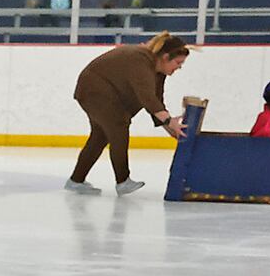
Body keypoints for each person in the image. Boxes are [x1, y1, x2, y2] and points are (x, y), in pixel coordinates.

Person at [65, 32, 188, 196]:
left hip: (103, 94)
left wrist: (169, 127)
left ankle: (76, 180)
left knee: (100, 136)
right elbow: (147, 97)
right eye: (178, 62)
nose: (179, 67)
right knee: (119, 127)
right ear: (165, 57)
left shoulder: (158, 71)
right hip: (94, 90)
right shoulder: (140, 59)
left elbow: (156, 100)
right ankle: (123, 181)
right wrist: (168, 121)